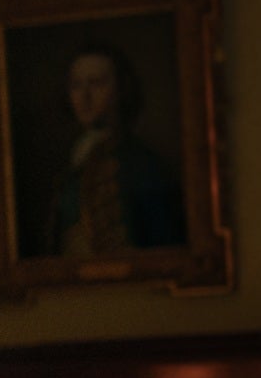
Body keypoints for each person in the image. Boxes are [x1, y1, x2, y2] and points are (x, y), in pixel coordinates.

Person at [43, 42, 186, 258]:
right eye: (76, 85)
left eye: (96, 84)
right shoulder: (71, 162)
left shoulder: (144, 165)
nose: (85, 95)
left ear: (121, 89)